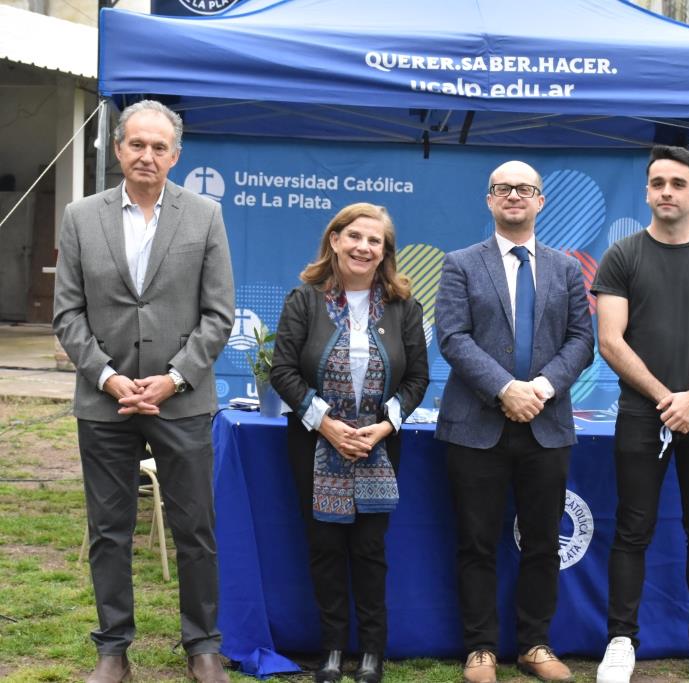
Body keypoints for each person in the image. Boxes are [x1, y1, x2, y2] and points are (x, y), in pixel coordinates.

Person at [52, 100, 234, 683]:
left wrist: (175, 376)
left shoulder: (204, 216)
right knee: (109, 530)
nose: (147, 156)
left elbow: (218, 314)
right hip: (103, 402)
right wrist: (106, 377)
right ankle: (113, 651)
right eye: (137, 144)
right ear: (117, 149)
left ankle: (202, 646)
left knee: (195, 529)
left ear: (175, 156)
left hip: (180, 399)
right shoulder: (80, 217)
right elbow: (68, 314)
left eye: (159, 147)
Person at [591, 145, 689, 683]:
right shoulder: (623, 256)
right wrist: (668, 399)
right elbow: (610, 341)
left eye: (678, 183)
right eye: (657, 183)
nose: (666, 192)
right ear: (647, 193)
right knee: (633, 530)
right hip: (642, 416)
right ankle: (621, 640)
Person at [434, 161, 594, 683]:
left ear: (541, 201)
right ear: (489, 201)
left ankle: (534, 645)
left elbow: (581, 341)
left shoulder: (568, 269)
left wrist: (540, 390)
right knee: (475, 541)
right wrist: (506, 389)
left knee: (543, 542)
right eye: (503, 189)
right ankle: (480, 648)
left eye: (524, 189)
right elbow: (453, 337)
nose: (514, 196)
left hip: (546, 426)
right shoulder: (460, 264)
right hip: (476, 426)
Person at [270, 203, 428, 683]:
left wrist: (384, 427)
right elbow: (283, 371)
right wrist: (327, 425)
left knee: (369, 550)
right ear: (334, 240)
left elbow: (418, 378)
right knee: (324, 548)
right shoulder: (304, 300)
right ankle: (334, 650)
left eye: (374, 241)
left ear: (385, 252)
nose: (363, 247)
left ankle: (373, 653)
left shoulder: (404, 308)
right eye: (354, 236)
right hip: (316, 444)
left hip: (378, 446)